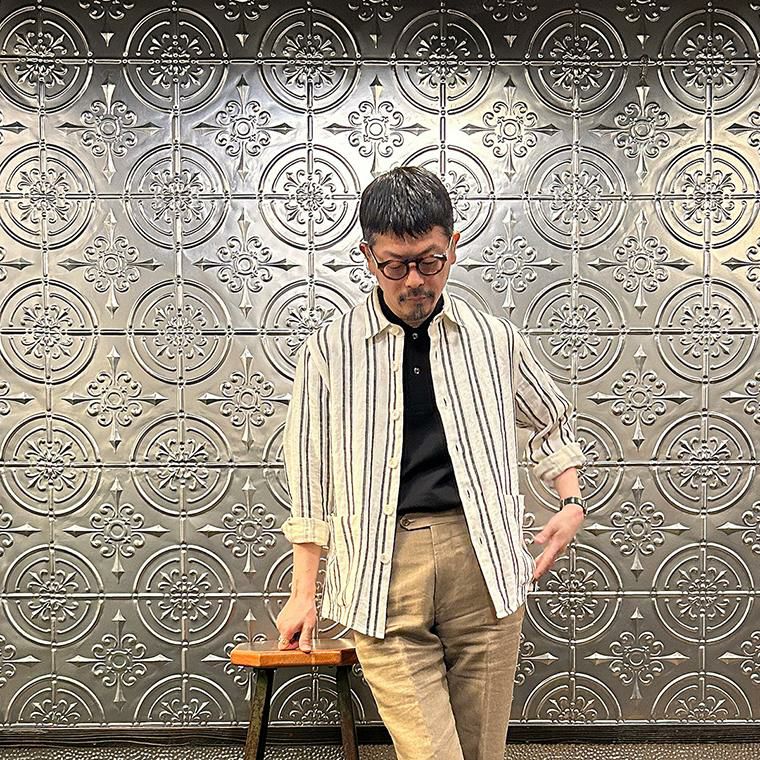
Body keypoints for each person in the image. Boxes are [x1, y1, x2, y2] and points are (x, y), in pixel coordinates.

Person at [276, 166, 587, 760]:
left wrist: (571, 502)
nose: (415, 280)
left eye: (430, 261)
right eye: (396, 265)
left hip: (484, 563)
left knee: (482, 752)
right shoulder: (330, 349)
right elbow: (311, 475)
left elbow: (551, 421)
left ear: (453, 246)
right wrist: (303, 592)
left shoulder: (494, 339)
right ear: (368, 256)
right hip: (382, 570)